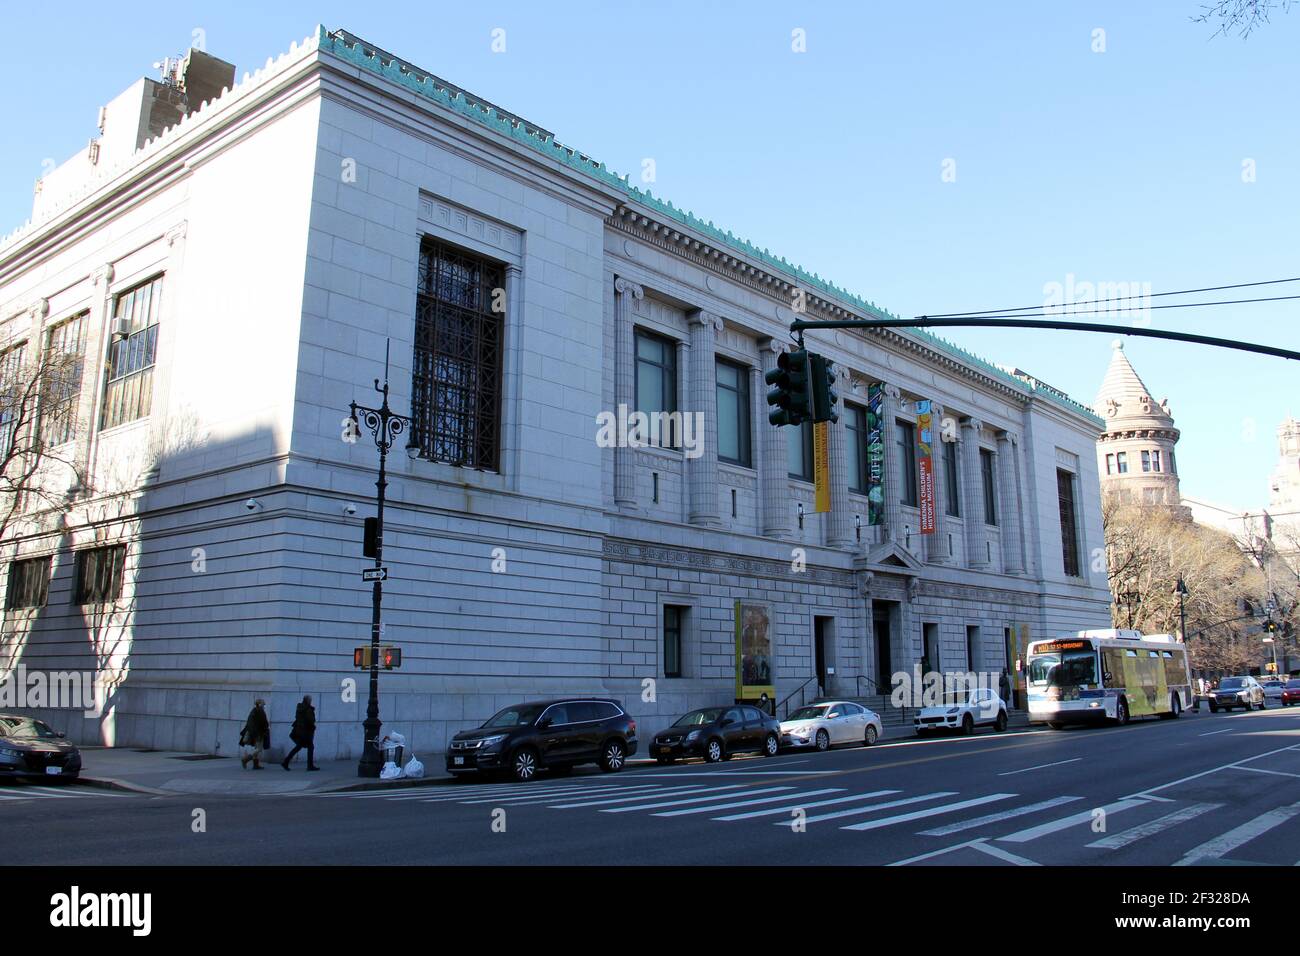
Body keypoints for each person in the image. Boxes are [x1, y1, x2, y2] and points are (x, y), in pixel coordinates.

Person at [282, 695, 319, 771]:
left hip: (300, 731)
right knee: (310, 747)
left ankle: (286, 761)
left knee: (299, 747)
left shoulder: (300, 707)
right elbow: (310, 720)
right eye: (310, 700)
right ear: (307, 700)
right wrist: (312, 726)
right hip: (306, 731)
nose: (311, 701)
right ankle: (310, 766)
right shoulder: (307, 709)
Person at [240, 699, 270, 770]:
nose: (264, 706)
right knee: (259, 749)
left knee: (257, 748)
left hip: (256, 732)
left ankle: (255, 765)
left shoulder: (255, 710)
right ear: (259, 704)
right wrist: (259, 732)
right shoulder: (259, 711)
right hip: (259, 733)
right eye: (263, 704)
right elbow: (262, 723)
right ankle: (246, 759)